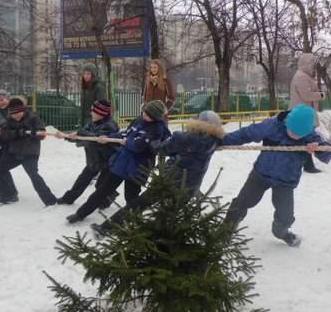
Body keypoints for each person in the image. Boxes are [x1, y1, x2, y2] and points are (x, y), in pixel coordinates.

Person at [91, 110, 224, 236]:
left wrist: (152, 142)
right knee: (170, 216)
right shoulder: (214, 141)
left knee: (139, 204)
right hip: (190, 186)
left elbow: (163, 149)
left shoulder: (183, 138)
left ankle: (106, 228)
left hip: (169, 181)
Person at [222, 105, 331, 247]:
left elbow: (327, 151)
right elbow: (246, 133)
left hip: (286, 181)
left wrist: (318, 148)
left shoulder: (311, 136)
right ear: (287, 121)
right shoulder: (273, 125)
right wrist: (222, 140)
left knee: (286, 215)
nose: (294, 135)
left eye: (299, 134)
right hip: (261, 174)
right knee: (242, 202)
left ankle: (281, 232)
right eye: (291, 130)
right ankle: (225, 232)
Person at [66, 100, 171, 224]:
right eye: (144, 112)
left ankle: (133, 223)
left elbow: (138, 146)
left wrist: (127, 142)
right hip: (122, 163)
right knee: (102, 191)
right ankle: (81, 214)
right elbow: (125, 134)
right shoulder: (138, 121)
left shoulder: (157, 129)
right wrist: (108, 138)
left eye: (148, 115)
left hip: (138, 168)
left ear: (155, 117)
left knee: (131, 197)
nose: (144, 115)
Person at [0, 98, 58, 206]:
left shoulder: (33, 118)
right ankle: (7, 194)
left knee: (33, 174)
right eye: (14, 114)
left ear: (23, 110)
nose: (16, 116)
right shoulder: (9, 120)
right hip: (15, 152)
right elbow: (4, 134)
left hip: (30, 152)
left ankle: (50, 201)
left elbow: (42, 134)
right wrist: (19, 133)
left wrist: (36, 133)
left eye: (19, 113)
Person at [56, 99, 120, 205]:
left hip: (107, 161)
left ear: (101, 113)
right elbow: (82, 136)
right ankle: (68, 199)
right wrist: (66, 136)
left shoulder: (110, 125)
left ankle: (109, 198)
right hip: (94, 159)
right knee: (82, 180)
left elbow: (94, 137)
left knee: (101, 185)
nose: (91, 113)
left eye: (94, 111)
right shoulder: (92, 124)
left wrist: (79, 133)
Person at [289, 52, 325, 173]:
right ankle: (308, 165)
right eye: (313, 64)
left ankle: (307, 165)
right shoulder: (301, 77)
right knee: (305, 140)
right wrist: (320, 95)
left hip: (304, 113)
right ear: (307, 63)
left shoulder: (304, 76)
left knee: (303, 140)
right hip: (302, 114)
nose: (314, 66)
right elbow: (307, 95)